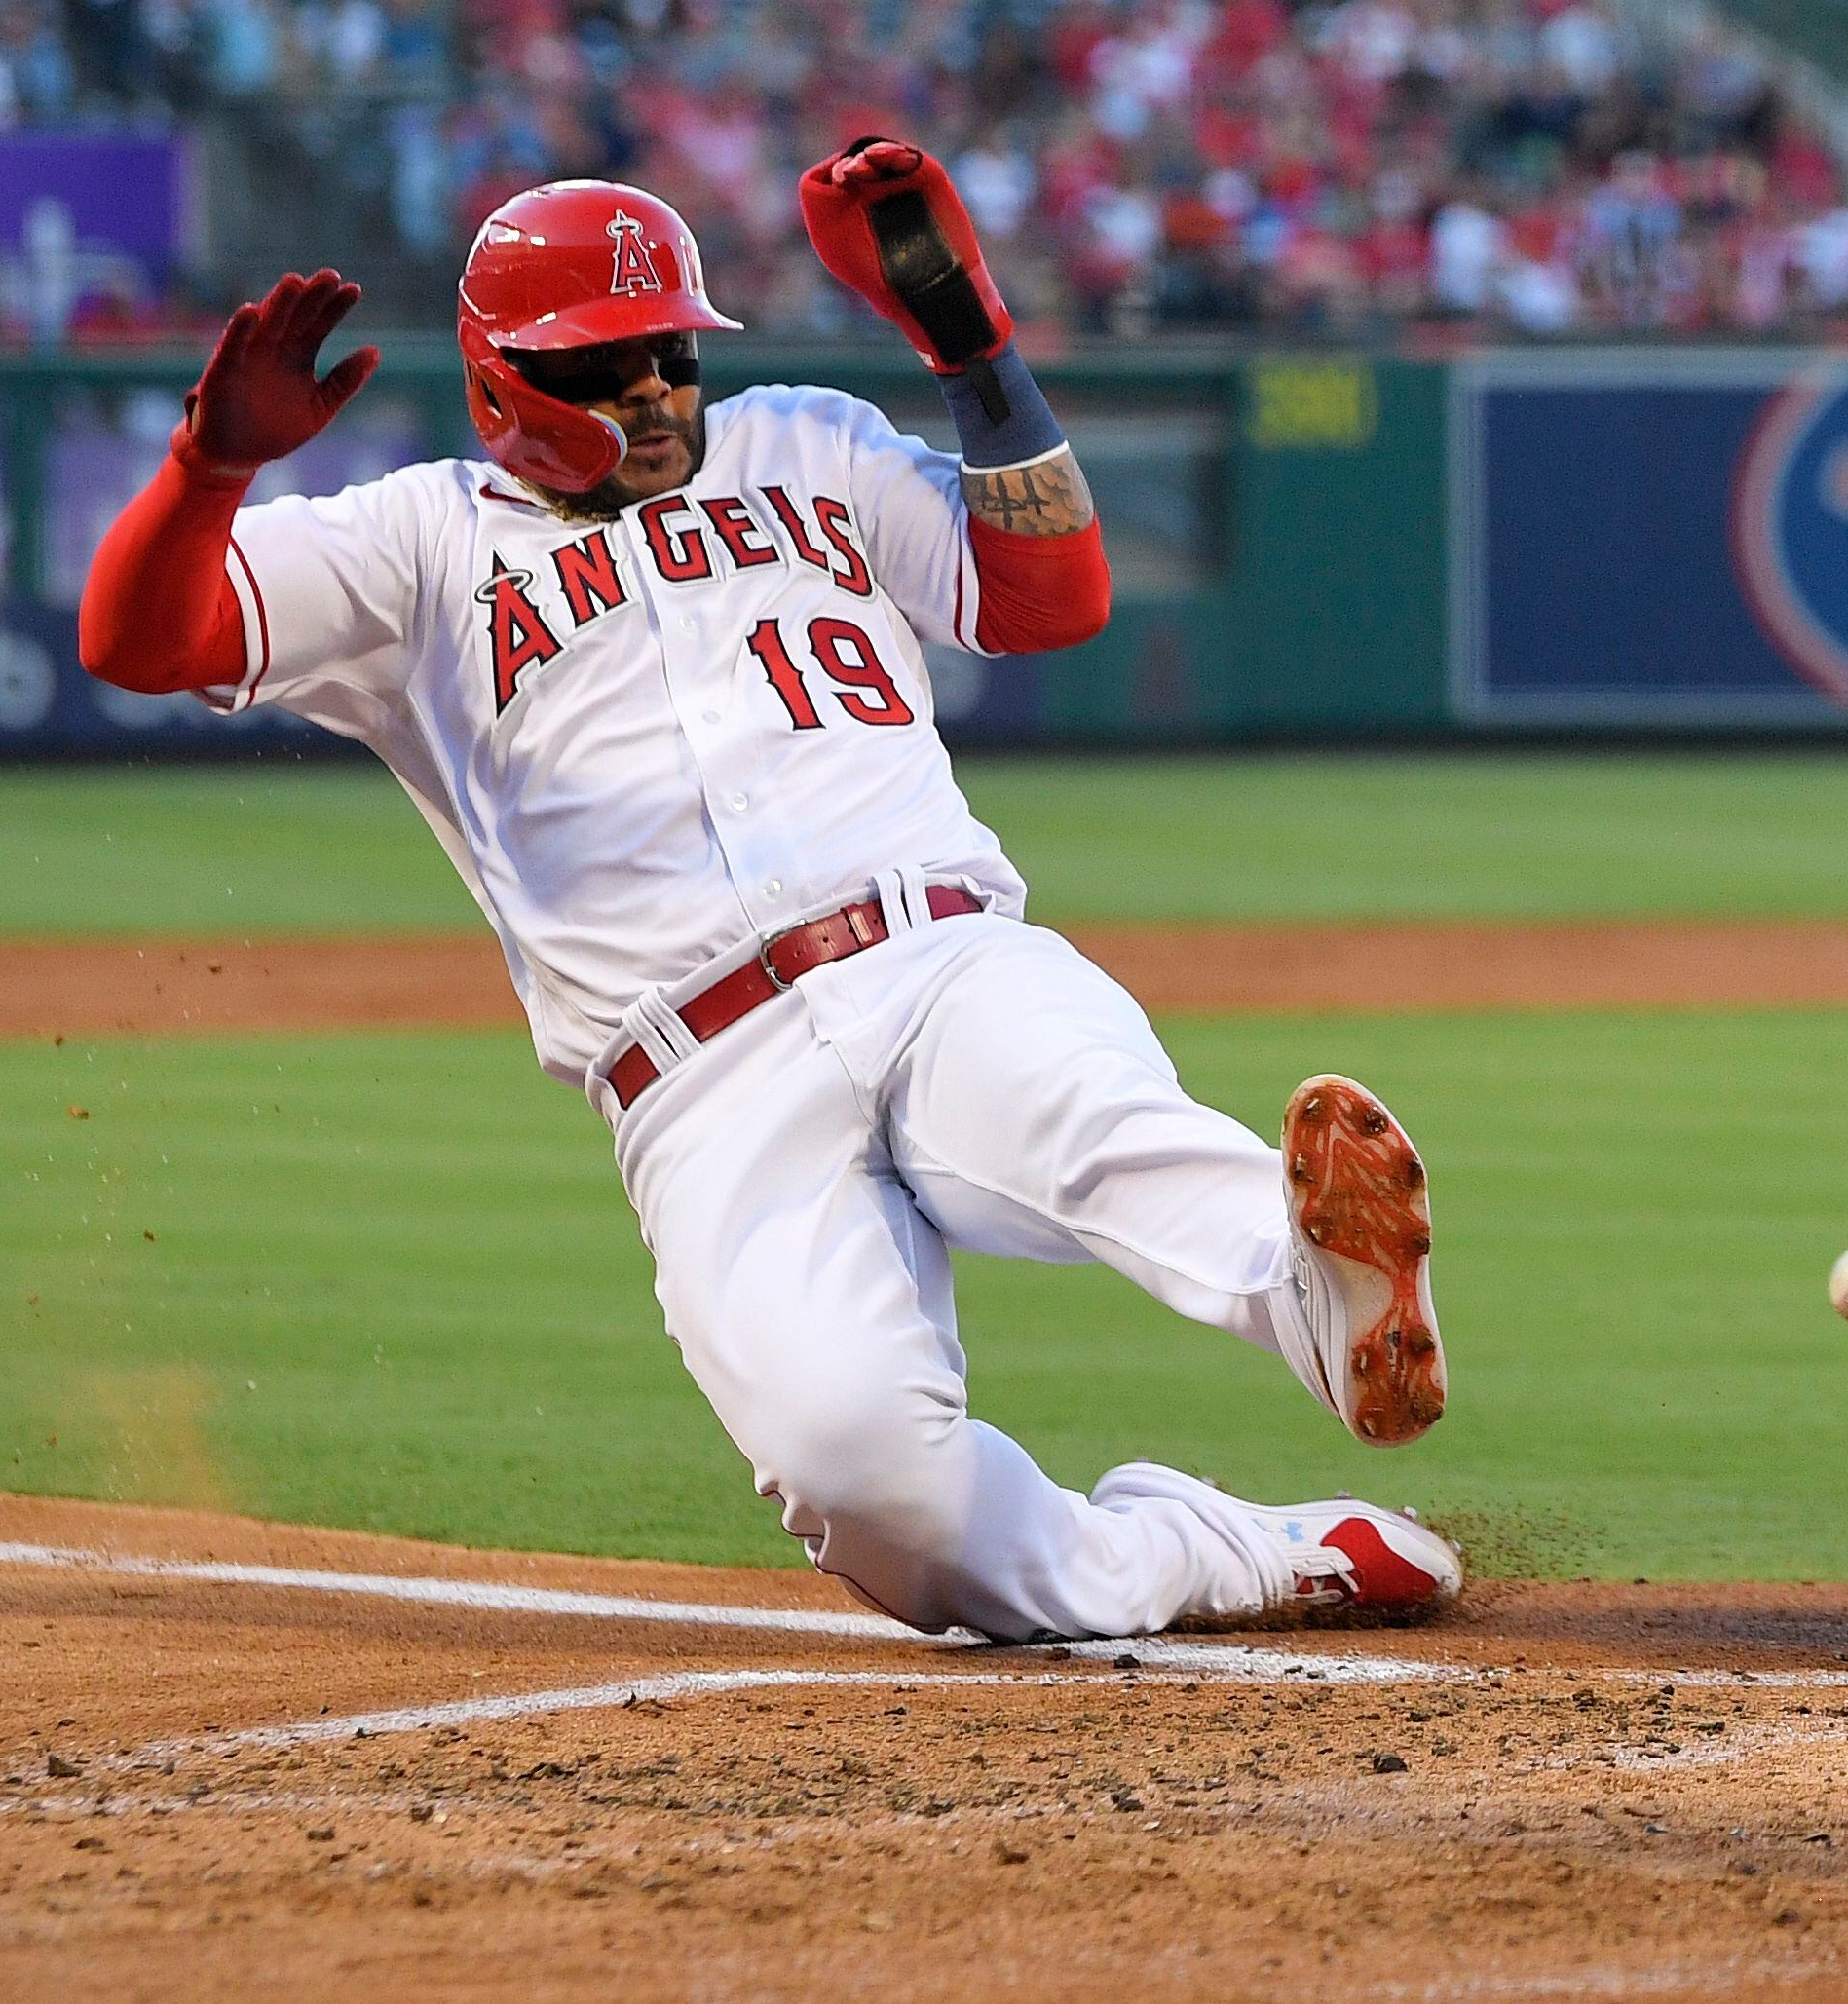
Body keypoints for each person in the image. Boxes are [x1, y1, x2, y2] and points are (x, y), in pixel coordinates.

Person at [75, 151, 1461, 1642]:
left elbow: (1050, 600)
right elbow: (141, 642)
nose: (662, 385)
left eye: (674, 347)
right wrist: (209, 471)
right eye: (606, 365)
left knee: (1087, 1111)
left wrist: (972, 343)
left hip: (935, 951)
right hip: (702, 1080)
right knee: (884, 1500)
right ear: (499, 386)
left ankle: (1312, 1284)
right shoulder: (415, 546)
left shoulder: (807, 441)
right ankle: (1223, 1551)